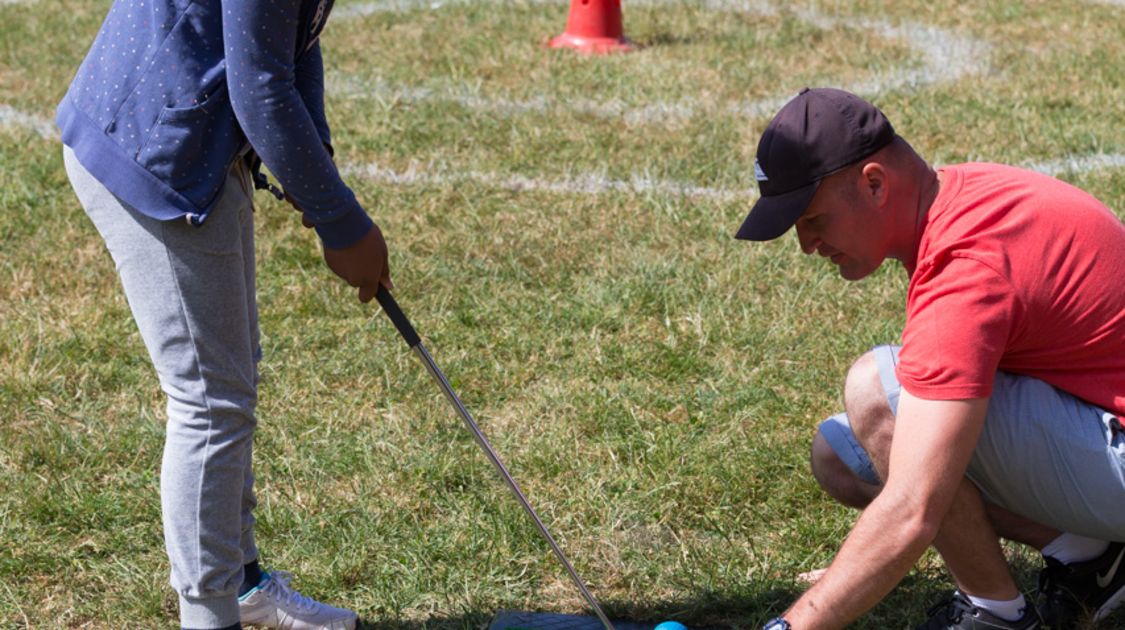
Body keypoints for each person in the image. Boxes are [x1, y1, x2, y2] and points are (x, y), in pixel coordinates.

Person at [736, 88, 1125, 630]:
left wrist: (789, 627)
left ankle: (996, 614)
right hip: (1100, 426)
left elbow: (912, 508)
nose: (806, 244)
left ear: (874, 183)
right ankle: (1091, 553)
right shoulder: (961, 193)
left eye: (813, 219)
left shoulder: (964, 268)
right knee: (840, 454)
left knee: (878, 392)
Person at [56, 1, 391, 629]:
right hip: (157, 151)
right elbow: (260, 89)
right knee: (210, 403)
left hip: (204, 144)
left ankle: (241, 585)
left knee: (230, 380)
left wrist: (315, 162)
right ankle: (209, 616)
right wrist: (341, 223)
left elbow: (291, 41)